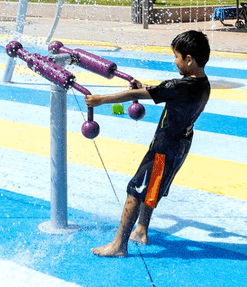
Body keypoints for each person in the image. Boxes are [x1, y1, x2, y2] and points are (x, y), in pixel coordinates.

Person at [87, 30, 211, 257]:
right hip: (181, 145)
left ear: (189, 59)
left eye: (176, 56)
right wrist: (144, 87)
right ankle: (141, 230)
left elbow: (144, 95)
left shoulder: (178, 86)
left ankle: (118, 245)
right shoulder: (203, 85)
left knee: (135, 189)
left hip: (164, 147)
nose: (175, 62)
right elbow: (169, 93)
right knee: (153, 187)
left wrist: (100, 100)